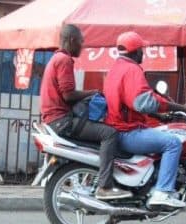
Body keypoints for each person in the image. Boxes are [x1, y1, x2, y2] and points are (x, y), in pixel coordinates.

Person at [104, 32, 186, 210]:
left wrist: (159, 116)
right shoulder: (132, 70)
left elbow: (133, 102)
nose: (143, 53)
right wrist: (181, 107)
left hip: (119, 128)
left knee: (163, 136)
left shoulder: (116, 68)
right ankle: (162, 192)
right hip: (128, 132)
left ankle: (155, 183)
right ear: (135, 51)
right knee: (173, 143)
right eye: (141, 50)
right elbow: (145, 102)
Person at [39, 24, 124, 200]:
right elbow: (68, 95)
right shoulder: (65, 60)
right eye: (80, 42)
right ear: (72, 40)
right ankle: (105, 186)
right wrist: (93, 92)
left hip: (54, 120)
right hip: (62, 121)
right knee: (109, 133)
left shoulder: (55, 59)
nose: (82, 46)